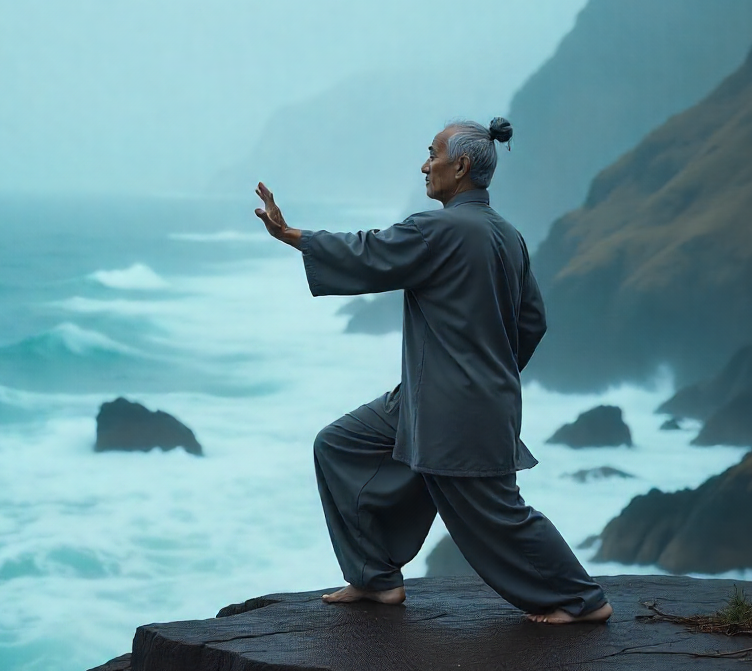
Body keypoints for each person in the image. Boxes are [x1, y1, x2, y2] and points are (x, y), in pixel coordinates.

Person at [253, 117, 612, 624]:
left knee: (499, 514)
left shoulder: (435, 229)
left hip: (455, 409)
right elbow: (534, 320)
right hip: (437, 399)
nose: (425, 165)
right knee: (340, 445)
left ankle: (584, 601)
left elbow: (368, 251)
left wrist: (289, 234)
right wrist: (494, 374)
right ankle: (375, 579)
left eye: (432, 154)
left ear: (461, 165)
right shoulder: (508, 235)